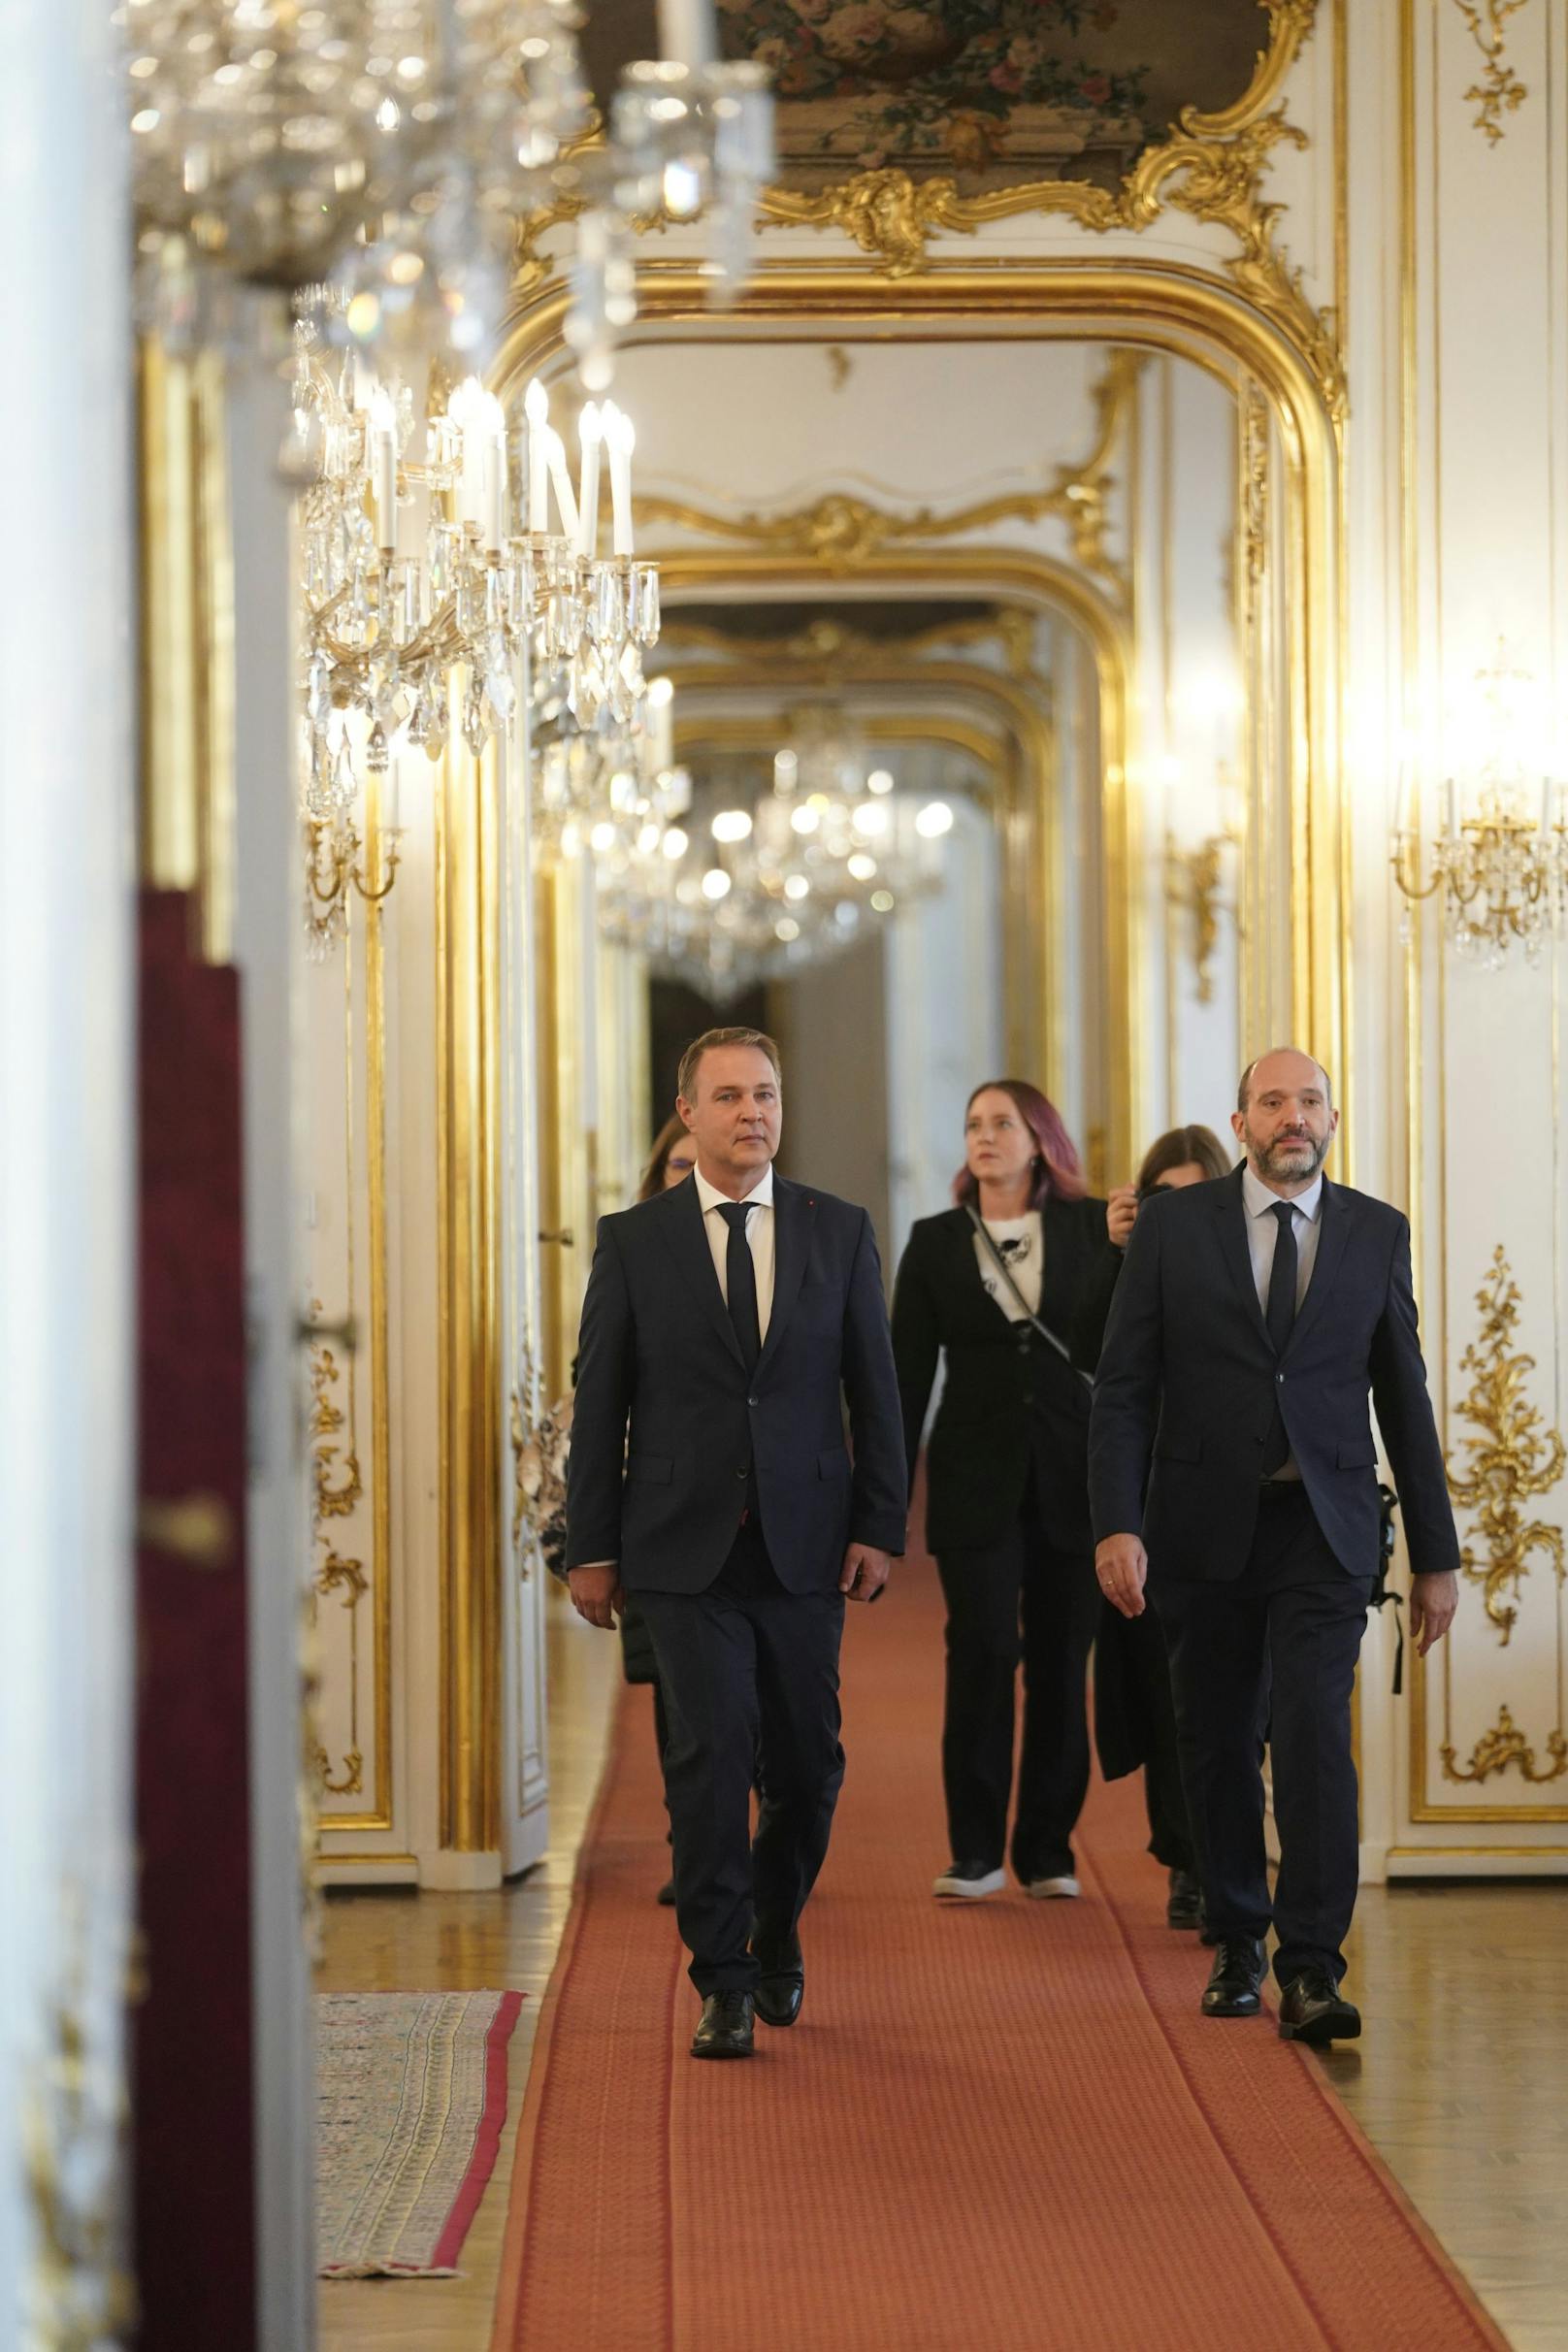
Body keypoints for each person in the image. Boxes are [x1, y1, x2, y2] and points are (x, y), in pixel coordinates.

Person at [1090, 1049, 1460, 2045]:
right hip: (1199, 1527)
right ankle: (1235, 1939)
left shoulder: (1374, 1232)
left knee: (1307, 1738)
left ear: (1330, 1120)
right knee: (1212, 1741)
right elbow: (1123, 1385)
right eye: (1270, 1103)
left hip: (1323, 1529)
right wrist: (1115, 1522)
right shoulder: (1174, 1228)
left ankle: (1309, 1966)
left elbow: (1402, 1396)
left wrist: (1436, 1554)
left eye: (1307, 1102)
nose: (1289, 1118)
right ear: (1240, 1121)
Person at [565, 1027, 906, 2059]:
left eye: (765, 1094)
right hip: (678, 1549)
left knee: (806, 1768)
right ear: (688, 1114)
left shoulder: (835, 1231)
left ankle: (773, 1923)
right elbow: (600, 1404)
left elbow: (873, 1393)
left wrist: (878, 1526)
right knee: (709, 1764)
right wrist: (591, 1545)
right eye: (728, 1096)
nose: (752, 1112)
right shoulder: (635, 1240)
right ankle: (719, 1976)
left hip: (804, 1543)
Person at [891, 1080, 1121, 1904]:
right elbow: (905, 1380)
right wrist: (882, 1506)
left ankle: (1049, 1850)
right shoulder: (934, 1242)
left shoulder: (1095, 1231)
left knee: (1062, 1665)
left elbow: (1126, 1353)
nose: (984, 1137)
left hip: (1075, 1480)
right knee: (983, 1652)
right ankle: (976, 1849)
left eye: (1002, 1124)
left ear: (1040, 1141)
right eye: (973, 1126)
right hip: (972, 1478)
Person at [1095, 1124, 1232, 1931]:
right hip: (1145, 1501)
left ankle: (1222, 1857)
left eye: (1192, 1197)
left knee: (1226, 1695)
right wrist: (1118, 1258)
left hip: (1229, 1497)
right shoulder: (1131, 1262)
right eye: (1161, 1200)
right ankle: (1184, 1857)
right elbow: (1096, 1363)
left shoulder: (1243, 1260)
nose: (1176, 1214)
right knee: (1161, 1690)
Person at [626, 1112, 698, 1904]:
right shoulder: (634, 1252)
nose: (686, 1177)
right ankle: (691, 1844)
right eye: (674, 1169)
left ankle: (738, 1833)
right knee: (674, 1693)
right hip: (657, 1503)